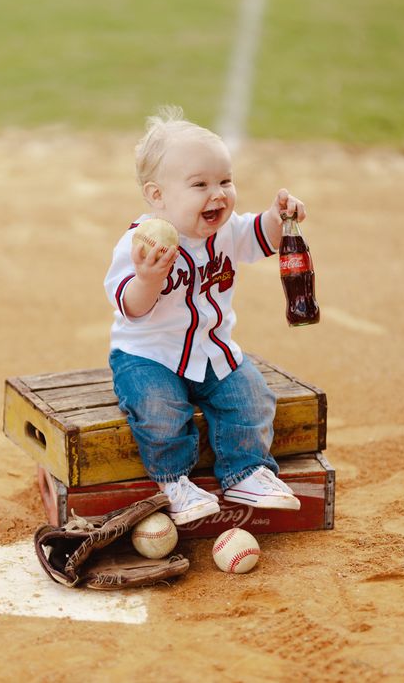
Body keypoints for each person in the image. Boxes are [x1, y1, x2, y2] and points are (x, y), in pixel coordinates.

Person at [104, 106, 305, 525]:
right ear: (158, 196)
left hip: (212, 350)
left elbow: (260, 236)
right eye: (200, 184)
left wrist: (277, 216)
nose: (218, 194)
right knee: (159, 410)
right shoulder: (140, 245)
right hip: (148, 356)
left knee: (251, 396)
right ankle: (173, 480)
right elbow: (130, 307)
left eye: (225, 181)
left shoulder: (225, 230)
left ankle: (246, 470)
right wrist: (147, 278)